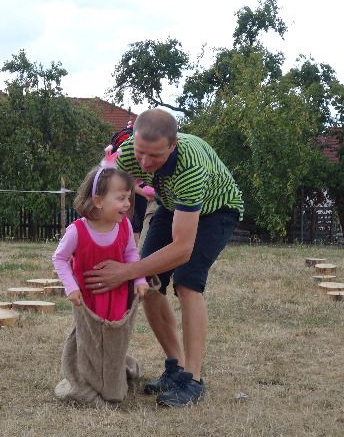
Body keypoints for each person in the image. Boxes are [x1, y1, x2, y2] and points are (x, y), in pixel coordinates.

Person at [83, 108, 242, 407]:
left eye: (154, 156)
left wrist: (125, 271)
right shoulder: (130, 153)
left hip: (216, 210)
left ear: (173, 145)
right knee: (150, 283)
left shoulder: (190, 166)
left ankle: (193, 379)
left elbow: (182, 249)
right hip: (171, 204)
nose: (145, 162)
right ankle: (176, 367)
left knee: (187, 283)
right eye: (140, 152)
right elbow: (111, 198)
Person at [51, 160, 150, 404]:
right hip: (88, 300)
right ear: (98, 201)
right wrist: (71, 287)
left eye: (128, 198)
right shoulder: (77, 231)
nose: (127, 204)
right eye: (121, 198)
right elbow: (59, 258)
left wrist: (139, 278)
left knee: (114, 340)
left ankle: (112, 381)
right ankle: (87, 379)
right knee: (90, 341)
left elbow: (131, 254)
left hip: (117, 298)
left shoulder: (124, 226)